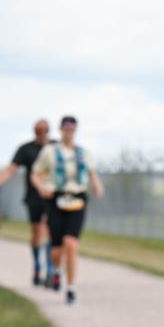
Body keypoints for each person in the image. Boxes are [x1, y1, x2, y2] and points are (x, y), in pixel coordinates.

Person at [29, 116, 104, 305]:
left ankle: (71, 288)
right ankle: (56, 270)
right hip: (56, 200)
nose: (69, 131)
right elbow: (35, 174)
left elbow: (92, 173)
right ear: (61, 129)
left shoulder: (83, 153)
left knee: (70, 243)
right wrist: (41, 187)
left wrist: (97, 186)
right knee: (56, 250)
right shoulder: (49, 152)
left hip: (77, 200)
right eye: (66, 127)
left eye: (72, 128)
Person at [0, 119, 55, 286]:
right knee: (36, 232)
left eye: (44, 130)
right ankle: (37, 266)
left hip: (52, 195)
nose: (41, 133)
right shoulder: (26, 149)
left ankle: (50, 269)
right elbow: (11, 170)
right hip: (33, 196)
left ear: (48, 130)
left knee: (50, 230)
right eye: (38, 131)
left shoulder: (55, 147)